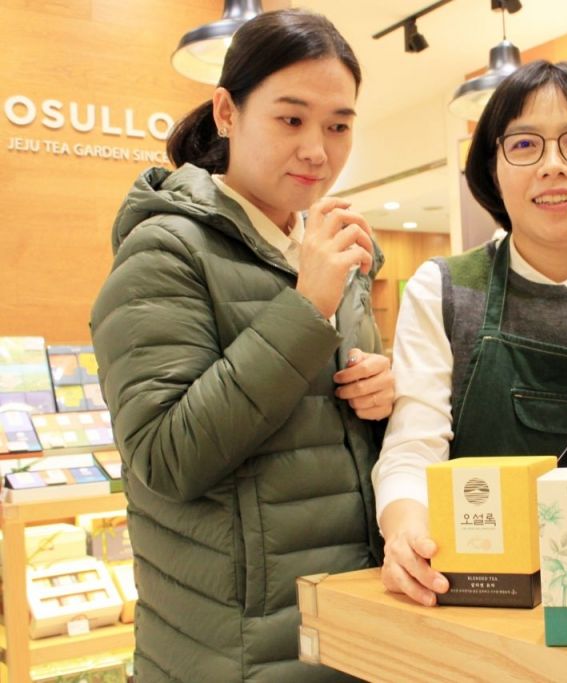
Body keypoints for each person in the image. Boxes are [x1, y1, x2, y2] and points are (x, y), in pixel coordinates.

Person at [90, 9, 392, 682]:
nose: (317, 150)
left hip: (350, 629)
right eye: (291, 119)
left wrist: (383, 392)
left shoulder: (331, 251)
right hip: (233, 653)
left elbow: (322, 429)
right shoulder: (162, 251)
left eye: (338, 125)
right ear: (227, 112)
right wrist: (306, 308)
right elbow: (166, 458)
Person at [371, 61, 567, 607]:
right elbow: (413, 445)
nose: (553, 166)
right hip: (483, 593)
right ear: (494, 170)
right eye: (525, 145)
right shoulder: (444, 289)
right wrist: (406, 532)